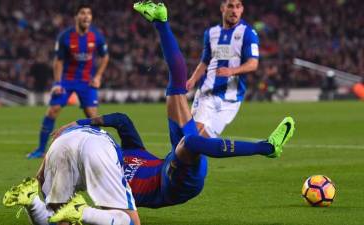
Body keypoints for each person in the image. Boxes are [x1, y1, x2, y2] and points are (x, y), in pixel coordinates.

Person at [45, 1, 295, 209]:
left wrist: (80, 123)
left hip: (172, 160)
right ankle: (266, 147)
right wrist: (77, 207)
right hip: (174, 186)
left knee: (174, 89)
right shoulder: (108, 183)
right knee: (193, 142)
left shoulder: (124, 153)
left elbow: (121, 120)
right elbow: (121, 213)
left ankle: (161, 20)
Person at [3, 125, 141, 225]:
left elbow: (55, 144)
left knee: (59, 217)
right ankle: (82, 211)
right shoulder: (107, 141)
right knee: (131, 222)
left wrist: (41, 172)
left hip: (59, 148)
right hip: (98, 149)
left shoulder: (69, 131)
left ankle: (32, 201)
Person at [27, 2, 110, 159]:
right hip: (67, 79)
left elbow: (105, 56)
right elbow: (58, 61)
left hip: (87, 81)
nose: (86, 16)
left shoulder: (96, 36)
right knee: (53, 110)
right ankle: (40, 149)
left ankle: (99, 149)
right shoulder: (65, 36)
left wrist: (98, 76)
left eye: (89, 13)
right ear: (76, 16)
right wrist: (58, 83)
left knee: (92, 115)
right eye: (83, 13)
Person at [186, 0, 260, 137]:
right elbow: (204, 62)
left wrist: (232, 71)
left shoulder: (248, 33)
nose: (234, 10)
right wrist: (192, 79)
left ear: (242, 9)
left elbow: (253, 63)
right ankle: (175, 158)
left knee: (205, 141)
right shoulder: (211, 33)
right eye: (230, 6)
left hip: (231, 99)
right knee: (192, 138)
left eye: (238, 7)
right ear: (222, 8)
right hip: (207, 93)